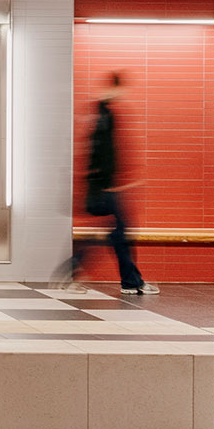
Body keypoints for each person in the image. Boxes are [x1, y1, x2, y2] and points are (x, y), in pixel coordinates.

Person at [60, 71, 156, 296]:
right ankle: (75, 271)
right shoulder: (104, 115)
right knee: (119, 233)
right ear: (115, 87)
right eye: (120, 89)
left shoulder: (100, 113)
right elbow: (103, 154)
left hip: (100, 187)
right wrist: (112, 184)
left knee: (117, 234)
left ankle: (129, 281)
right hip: (103, 188)